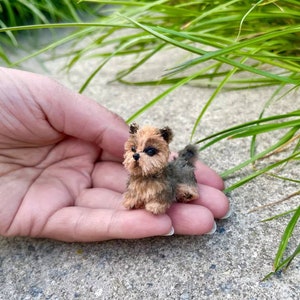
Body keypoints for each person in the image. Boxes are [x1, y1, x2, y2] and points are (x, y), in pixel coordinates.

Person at [0, 67, 230, 242]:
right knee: (135, 191)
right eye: (134, 150)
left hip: (171, 179)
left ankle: (185, 189)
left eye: (149, 151)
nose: (138, 155)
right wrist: (133, 197)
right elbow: (133, 189)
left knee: (176, 186)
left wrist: (159, 203)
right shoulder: (134, 175)